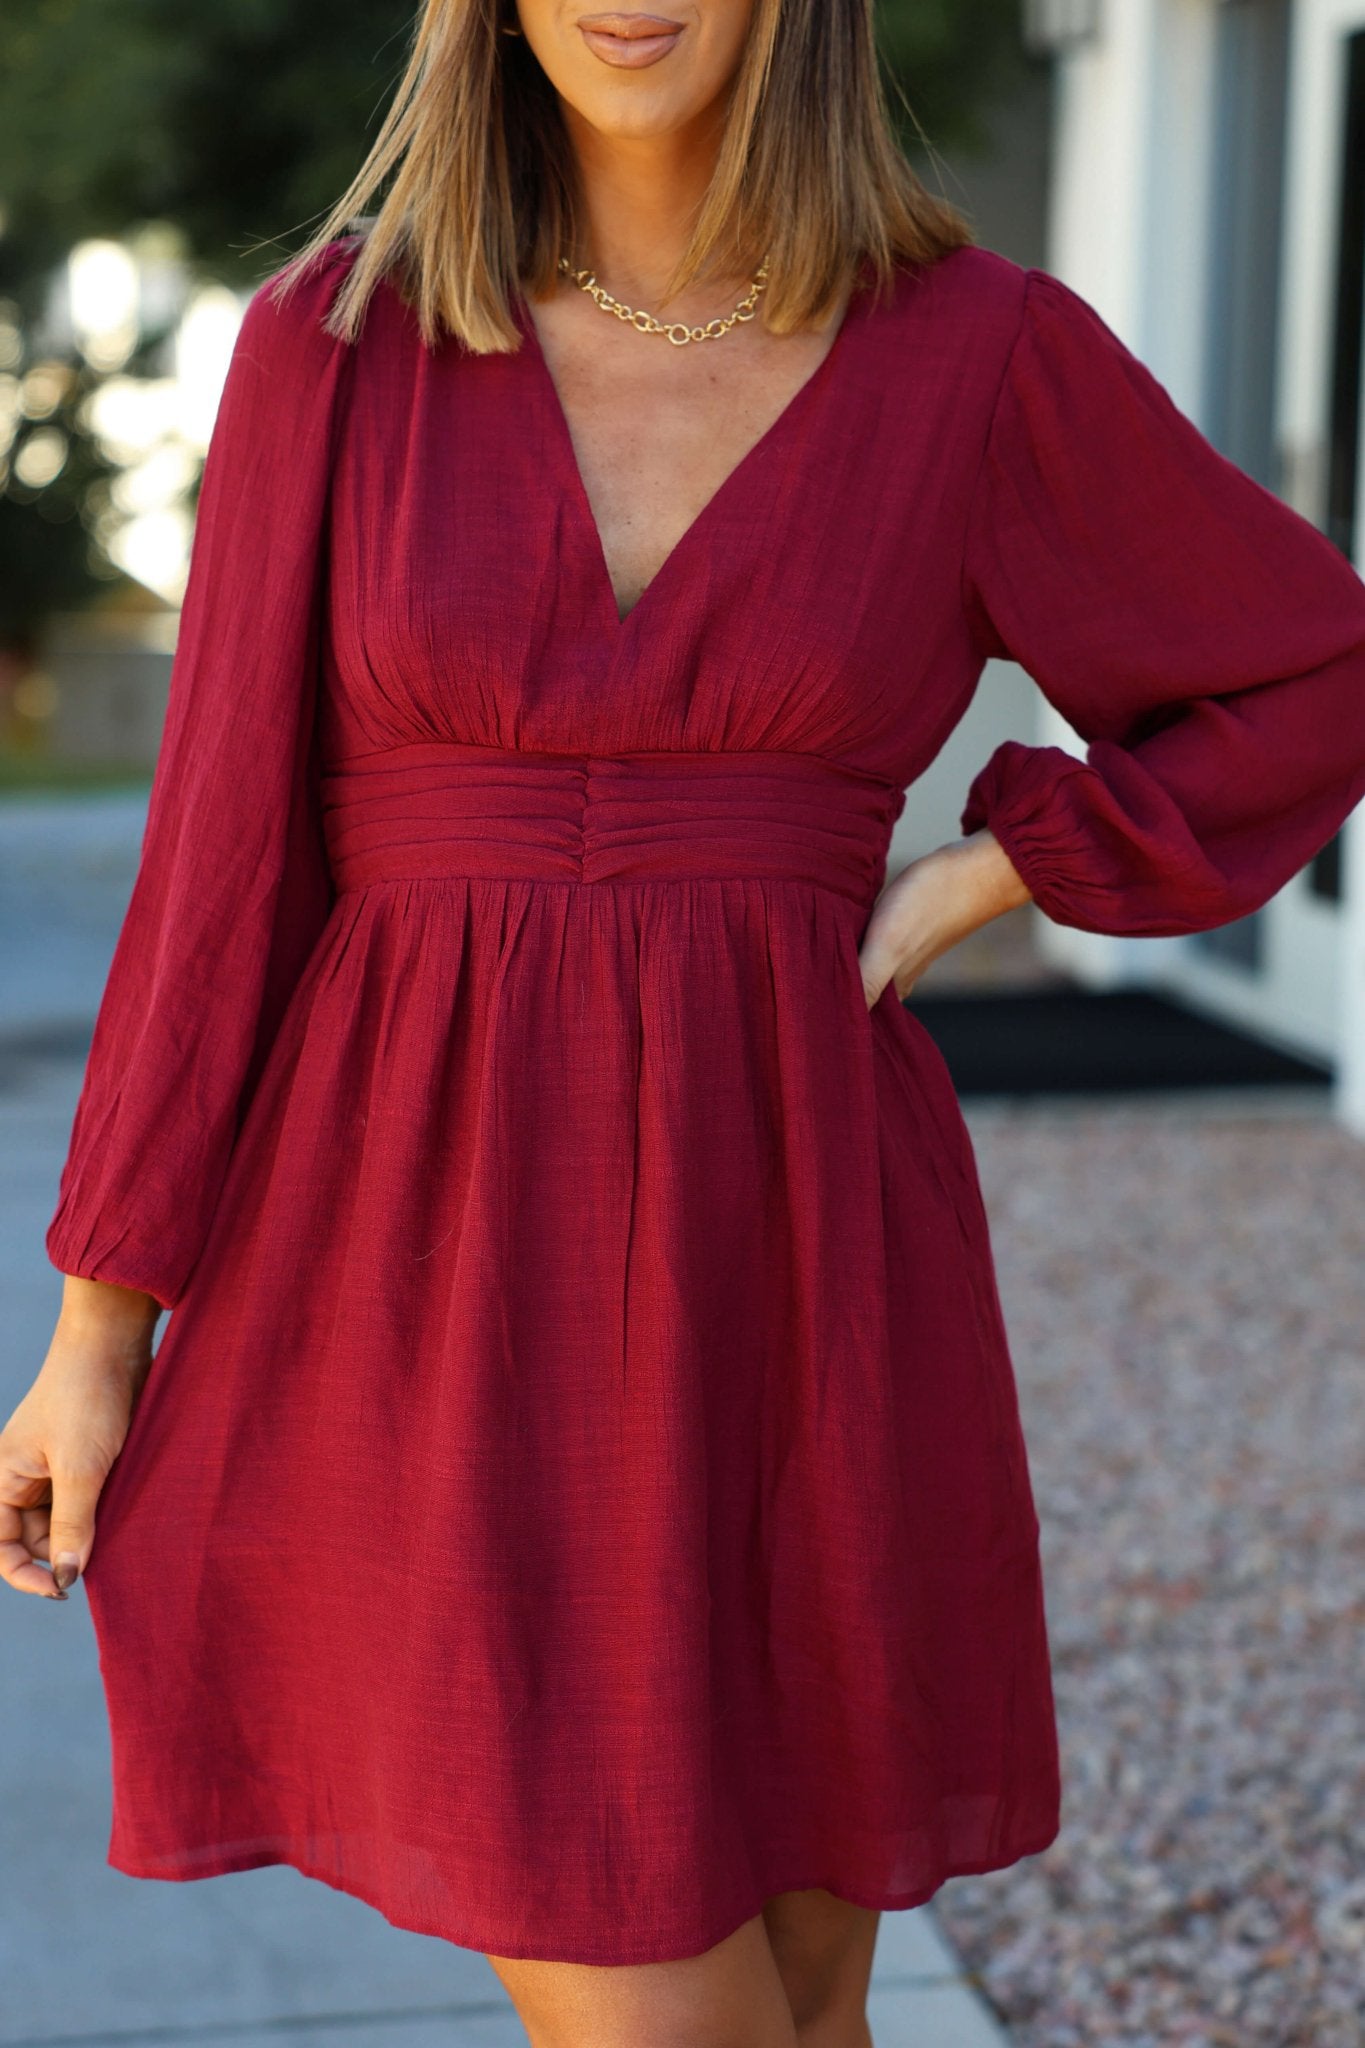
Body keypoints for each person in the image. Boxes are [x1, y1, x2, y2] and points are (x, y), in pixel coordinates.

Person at [7, 0, 1365, 2042]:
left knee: (814, 2000)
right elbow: (218, 863)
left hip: (805, 1260)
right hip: (424, 1275)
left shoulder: (973, 352)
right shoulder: (338, 343)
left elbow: (1303, 673)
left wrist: (978, 872)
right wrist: (99, 1324)